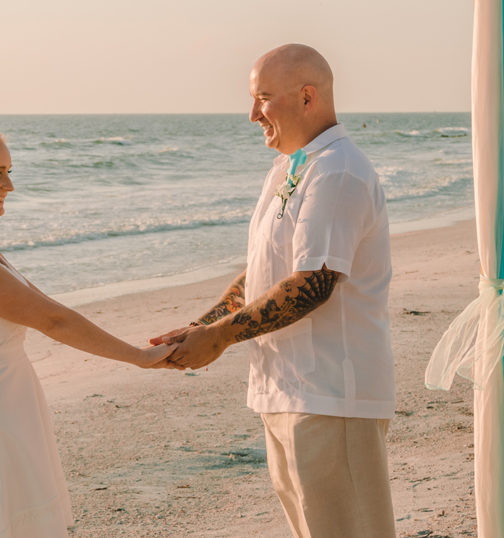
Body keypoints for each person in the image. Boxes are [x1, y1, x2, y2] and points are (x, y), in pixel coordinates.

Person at [150, 44, 396, 537]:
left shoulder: (338, 171)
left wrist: (219, 338)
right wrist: (204, 326)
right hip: (284, 389)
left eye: (262, 98)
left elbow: (313, 284)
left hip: (330, 394)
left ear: (307, 97)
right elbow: (263, 271)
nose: (251, 114)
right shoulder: (288, 169)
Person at [0, 123, 177, 537]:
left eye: (9, 171)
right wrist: (139, 357)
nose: (10, 185)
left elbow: (50, 309)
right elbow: (53, 321)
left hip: (9, 409)